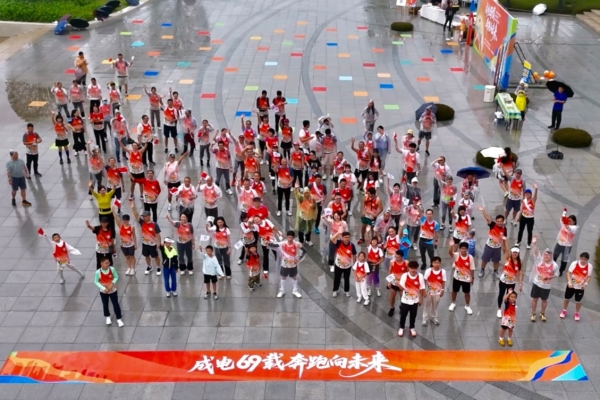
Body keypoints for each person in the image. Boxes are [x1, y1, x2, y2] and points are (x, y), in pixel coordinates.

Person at [530, 236, 559, 322]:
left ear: (551, 256)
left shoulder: (554, 265)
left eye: (548, 255)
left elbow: (556, 274)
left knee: (544, 300)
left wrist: (549, 277)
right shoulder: (539, 260)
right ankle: (533, 313)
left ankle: (542, 313)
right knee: (535, 299)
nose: (546, 256)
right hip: (537, 283)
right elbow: (536, 251)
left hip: (546, 286)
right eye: (545, 254)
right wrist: (535, 244)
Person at [269, 231, 304, 298]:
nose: (290, 239)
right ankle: (282, 290)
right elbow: (274, 245)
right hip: (284, 264)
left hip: (293, 264)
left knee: (294, 277)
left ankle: (295, 290)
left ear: (293, 237)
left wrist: (299, 259)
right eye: (289, 237)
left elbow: (304, 251)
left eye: (291, 237)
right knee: (283, 277)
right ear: (286, 237)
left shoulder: (297, 244)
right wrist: (268, 243)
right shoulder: (283, 243)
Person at [130, 202, 162, 275]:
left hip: (153, 244)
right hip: (145, 243)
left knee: (155, 256)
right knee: (146, 256)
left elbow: (158, 235)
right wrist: (132, 208)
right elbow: (136, 215)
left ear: (149, 216)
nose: (144, 218)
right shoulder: (142, 223)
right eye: (143, 216)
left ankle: (158, 267)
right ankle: (149, 266)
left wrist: (159, 244)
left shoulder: (154, 225)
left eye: (145, 216)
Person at [560, 252, 593, 321]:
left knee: (578, 301)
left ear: (587, 260)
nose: (583, 260)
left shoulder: (589, 266)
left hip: (580, 286)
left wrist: (585, 284)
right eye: (582, 259)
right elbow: (568, 273)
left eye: (585, 259)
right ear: (579, 258)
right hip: (572, 285)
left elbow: (589, 276)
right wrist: (569, 282)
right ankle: (564, 310)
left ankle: (577, 313)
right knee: (566, 298)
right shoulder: (574, 263)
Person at [478, 206, 508, 279]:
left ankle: (495, 271)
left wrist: (504, 247)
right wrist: (482, 210)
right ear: (496, 221)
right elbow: (487, 218)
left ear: (503, 221)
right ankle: (482, 270)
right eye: (498, 221)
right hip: (489, 246)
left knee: (496, 260)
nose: (499, 223)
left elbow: (504, 239)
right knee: (485, 259)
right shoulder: (493, 225)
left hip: (497, 248)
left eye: (501, 221)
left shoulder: (504, 229)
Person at [398, 261, 426, 338]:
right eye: (411, 268)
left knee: (413, 315)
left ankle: (412, 327)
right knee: (403, 314)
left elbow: (422, 288)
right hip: (405, 300)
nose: (413, 270)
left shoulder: (420, 276)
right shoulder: (404, 276)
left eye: (414, 268)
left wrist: (421, 299)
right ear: (408, 268)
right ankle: (402, 327)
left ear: (417, 268)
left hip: (415, 300)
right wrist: (399, 285)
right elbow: (401, 288)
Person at [447, 242, 475, 315]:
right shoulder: (456, 255)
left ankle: (467, 306)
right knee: (454, 291)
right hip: (457, 278)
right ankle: (453, 303)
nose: (463, 250)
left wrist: (472, 278)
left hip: (466, 279)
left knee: (467, 293)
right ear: (460, 249)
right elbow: (450, 253)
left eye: (465, 248)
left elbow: (472, 268)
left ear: (467, 249)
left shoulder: (470, 257)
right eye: (462, 248)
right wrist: (451, 246)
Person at [94, 257, 123, 327]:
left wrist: (112, 284)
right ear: (101, 263)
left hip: (113, 291)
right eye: (106, 263)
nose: (108, 264)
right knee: (105, 304)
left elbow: (116, 277)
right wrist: (103, 288)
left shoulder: (112, 269)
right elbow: (96, 281)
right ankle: (107, 316)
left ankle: (119, 318)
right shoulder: (98, 272)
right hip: (104, 292)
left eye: (108, 263)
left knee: (115, 304)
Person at [496, 247, 523, 318]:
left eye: (516, 253)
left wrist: (520, 284)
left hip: (511, 283)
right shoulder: (508, 258)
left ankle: (507, 309)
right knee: (501, 294)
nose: (515, 254)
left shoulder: (520, 262)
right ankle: (499, 309)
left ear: (518, 253)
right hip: (503, 281)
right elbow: (506, 249)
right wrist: (505, 240)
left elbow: (520, 274)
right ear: (511, 252)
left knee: (509, 296)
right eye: (513, 252)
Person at [330, 230, 357, 298]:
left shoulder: (352, 245)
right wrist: (338, 233)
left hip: (347, 266)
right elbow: (332, 239)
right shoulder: (339, 243)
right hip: (338, 265)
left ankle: (346, 291)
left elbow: (354, 255)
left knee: (347, 279)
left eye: (348, 237)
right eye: (345, 237)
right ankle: (335, 290)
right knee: (337, 278)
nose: (347, 239)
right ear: (342, 238)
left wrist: (355, 264)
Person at [553, 209, 578, 276]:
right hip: (559, 244)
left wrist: (565, 220)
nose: (569, 222)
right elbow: (561, 219)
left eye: (570, 221)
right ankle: (552, 268)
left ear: (574, 222)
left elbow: (568, 227)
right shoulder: (564, 224)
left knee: (564, 259)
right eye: (568, 220)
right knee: (554, 256)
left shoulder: (574, 228)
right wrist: (564, 212)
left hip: (567, 247)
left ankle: (561, 271)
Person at [112, 208, 137, 275]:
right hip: (123, 245)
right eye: (124, 221)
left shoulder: (132, 227)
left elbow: (134, 236)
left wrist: (135, 244)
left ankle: (133, 268)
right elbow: (116, 219)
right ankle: (129, 267)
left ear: (128, 220)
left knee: (132, 256)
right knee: (127, 257)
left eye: (126, 221)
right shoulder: (120, 226)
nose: (125, 222)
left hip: (130, 245)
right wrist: (113, 211)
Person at [422, 256, 445, 326]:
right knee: (427, 305)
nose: (436, 264)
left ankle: (433, 317)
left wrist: (442, 290)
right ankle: (425, 318)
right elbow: (424, 281)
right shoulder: (428, 271)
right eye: (435, 262)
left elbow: (443, 281)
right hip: (428, 292)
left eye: (438, 263)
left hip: (437, 292)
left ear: (440, 263)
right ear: (432, 263)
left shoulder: (443, 272)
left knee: (435, 306)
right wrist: (423, 291)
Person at [386, 249, 408, 317]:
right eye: (395, 256)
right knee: (392, 296)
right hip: (394, 282)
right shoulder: (392, 262)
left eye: (398, 257)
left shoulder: (406, 263)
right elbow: (390, 271)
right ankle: (392, 308)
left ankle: (401, 306)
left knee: (402, 296)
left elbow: (408, 273)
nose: (396, 258)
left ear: (402, 257)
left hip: (402, 283)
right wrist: (389, 282)